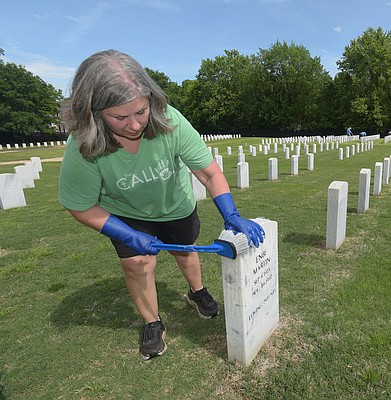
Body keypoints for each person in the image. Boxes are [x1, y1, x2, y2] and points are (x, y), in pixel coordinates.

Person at [58, 49, 265, 360]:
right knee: (137, 263)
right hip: (126, 214)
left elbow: (208, 172)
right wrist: (129, 236)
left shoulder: (170, 120)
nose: (134, 125)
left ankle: (197, 291)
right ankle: (152, 322)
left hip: (175, 205)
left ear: (150, 100)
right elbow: (81, 206)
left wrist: (231, 213)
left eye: (140, 111)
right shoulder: (83, 145)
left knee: (185, 249)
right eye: (119, 117)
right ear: (94, 112)